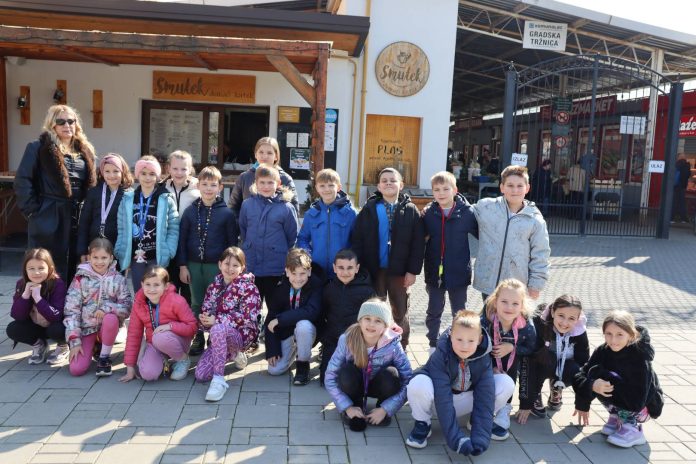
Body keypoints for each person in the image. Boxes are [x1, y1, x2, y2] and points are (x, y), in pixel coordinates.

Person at [405, 310, 515, 454]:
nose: (464, 346)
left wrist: (480, 440)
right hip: (437, 403)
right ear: (451, 336)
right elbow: (443, 398)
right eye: (459, 339)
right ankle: (422, 423)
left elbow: (485, 396)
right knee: (418, 383)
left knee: (506, 383)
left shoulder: (484, 357)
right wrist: (457, 440)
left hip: (465, 401)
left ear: (480, 340)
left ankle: (475, 422)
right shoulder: (441, 355)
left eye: (471, 341)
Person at [14, 104, 97, 282]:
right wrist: (34, 211)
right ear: (52, 124)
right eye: (61, 121)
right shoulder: (38, 148)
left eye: (71, 121)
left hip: (78, 215)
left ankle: (71, 300)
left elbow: (91, 185)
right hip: (48, 214)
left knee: (76, 265)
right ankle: (44, 300)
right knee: (45, 265)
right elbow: (23, 180)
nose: (67, 125)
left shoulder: (85, 150)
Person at [351, 167, 424, 348]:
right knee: (375, 311)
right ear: (378, 186)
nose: (388, 183)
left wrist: (412, 271)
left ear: (401, 185)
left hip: (400, 272)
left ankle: (401, 347)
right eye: (384, 181)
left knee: (400, 311)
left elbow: (417, 244)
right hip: (375, 270)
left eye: (393, 180)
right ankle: (375, 347)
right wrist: (359, 266)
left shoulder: (411, 210)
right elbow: (358, 239)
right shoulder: (369, 209)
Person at [573, 310, 664, 448]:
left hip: (643, 406)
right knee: (595, 375)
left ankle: (633, 428)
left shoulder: (639, 357)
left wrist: (605, 378)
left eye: (620, 334)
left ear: (631, 335)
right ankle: (616, 416)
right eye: (608, 334)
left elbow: (638, 399)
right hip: (621, 397)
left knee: (604, 376)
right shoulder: (603, 350)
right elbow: (582, 375)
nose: (613, 340)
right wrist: (589, 391)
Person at [324, 299, 412, 432]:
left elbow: (408, 380)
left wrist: (386, 408)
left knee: (392, 374)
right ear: (360, 321)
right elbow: (330, 376)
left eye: (378, 321)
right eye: (367, 319)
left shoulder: (393, 345)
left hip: (379, 384)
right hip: (355, 383)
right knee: (346, 372)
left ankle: (380, 410)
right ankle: (355, 405)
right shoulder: (347, 340)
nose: (371, 324)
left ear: (385, 326)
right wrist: (347, 407)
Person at [178, 166, 239, 356]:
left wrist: (228, 268)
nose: (208, 189)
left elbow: (232, 245)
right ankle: (198, 336)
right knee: (196, 302)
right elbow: (182, 240)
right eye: (204, 184)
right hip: (194, 265)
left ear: (220, 187)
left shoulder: (227, 214)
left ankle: (215, 335)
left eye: (213, 185)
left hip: (217, 267)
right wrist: (182, 265)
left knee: (217, 302)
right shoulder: (190, 211)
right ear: (198, 186)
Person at [472, 165, 550, 301]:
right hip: (488, 283)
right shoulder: (486, 207)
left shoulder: (535, 220)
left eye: (520, 186)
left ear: (527, 188)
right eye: (510, 185)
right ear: (502, 187)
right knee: (489, 315)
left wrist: (536, 285)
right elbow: (462, 212)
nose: (515, 190)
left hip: (516, 287)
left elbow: (541, 254)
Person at [195, 247, 261, 401]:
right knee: (201, 375)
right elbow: (206, 309)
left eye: (235, 265)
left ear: (242, 268)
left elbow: (248, 316)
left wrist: (217, 320)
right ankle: (234, 355)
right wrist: (204, 319)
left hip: (240, 336)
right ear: (220, 264)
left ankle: (219, 381)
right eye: (227, 264)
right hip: (218, 338)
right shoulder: (213, 287)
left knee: (218, 328)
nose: (230, 269)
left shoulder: (249, 287)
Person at [422, 171, 478, 354]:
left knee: (459, 312)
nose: (441, 193)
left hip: (459, 272)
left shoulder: (467, 213)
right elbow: (420, 238)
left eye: (445, 189)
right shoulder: (429, 214)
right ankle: (433, 344)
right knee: (434, 310)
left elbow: (484, 236)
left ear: (455, 190)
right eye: (436, 189)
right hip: (434, 272)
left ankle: (458, 343)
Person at [64, 238, 132, 377]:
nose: (99, 262)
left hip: (107, 327)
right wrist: (74, 341)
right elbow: (71, 310)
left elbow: (127, 307)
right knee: (76, 369)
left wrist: (107, 308)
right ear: (89, 257)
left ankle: (104, 358)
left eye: (104, 258)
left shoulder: (118, 279)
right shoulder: (80, 279)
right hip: (87, 329)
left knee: (110, 319)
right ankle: (94, 347)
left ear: (111, 258)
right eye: (95, 257)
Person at [516, 295, 589, 423]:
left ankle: (557, 386)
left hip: (562, 366)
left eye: (571, 318)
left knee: (576, 370)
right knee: (546, 358)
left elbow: (585, 365)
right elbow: (527, 363)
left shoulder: (579, 331)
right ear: (553, 312)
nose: (565, 323)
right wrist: (526, 402)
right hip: (539, 365)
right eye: (561, 315)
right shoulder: (539, 324)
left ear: (577, 319)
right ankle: (536, 394)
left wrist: (583, 403)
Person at [480, 278, 537, 440]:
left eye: (515, 303)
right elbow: (476, 349)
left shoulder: (526, 326)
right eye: (504, 302)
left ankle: (504, 407)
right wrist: (489, 367)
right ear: (495, 301)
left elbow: (531, 348)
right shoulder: (485, 321)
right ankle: (482, 407)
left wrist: (512, 348)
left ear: (522, 305)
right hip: (486, 363)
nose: (509, 307)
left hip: (512, 366)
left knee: (514, 364)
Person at [120, 266, 197, 383]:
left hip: (178, 341)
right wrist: (130, 367)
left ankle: (183, 360)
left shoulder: (177, 300)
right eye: (148, 284)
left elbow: (192, 327)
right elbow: (133, 334)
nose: (152, 289)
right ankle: (163, 360)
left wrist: (170, 326)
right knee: (148, 374)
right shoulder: (139, 303)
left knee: (160, 338)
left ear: (166, 286)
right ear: (142, 284)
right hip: (154, 343)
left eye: (156, 285)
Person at [115, 156, 180, 292]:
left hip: (157, 257)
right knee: (139, 293)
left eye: (151, 174)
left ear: (157, 176)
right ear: (137, 175)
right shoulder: (128, 199)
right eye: (143, 173)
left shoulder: (165, 198)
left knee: (156, 294)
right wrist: (121, 250)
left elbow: (173, 227)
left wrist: (169, 251)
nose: (147, 178)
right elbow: (121, 227)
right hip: (136, 258)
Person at [239, 164, 299, 302]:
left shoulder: (286, 208)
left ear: (278, 183)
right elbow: (244, 230)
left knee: (275, 305)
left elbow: (291, 236)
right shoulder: (247, 205)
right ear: (256, 183)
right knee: (251, 305)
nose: (266, 186)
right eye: (262, 182)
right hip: (252, 264)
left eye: (270, 182)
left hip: (276, 266)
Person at [264, 248, 323, 385]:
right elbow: (271, 318)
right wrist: (272, 349)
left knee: (303, 326)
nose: (298, 278)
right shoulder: (280, 286)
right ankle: (295, 348)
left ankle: (303, 365)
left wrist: (280, 320)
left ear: (309, 271)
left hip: (309, 331)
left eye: (302, 273)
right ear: (287, 271)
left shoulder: (316, 284)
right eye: (294, 273)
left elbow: (311, 311)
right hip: (288, 332)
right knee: (274, 370)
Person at [319, 249, 375, 385]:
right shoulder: (329, 289)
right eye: (341, 268)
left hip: (356, 342)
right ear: (334, 268)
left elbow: (373, 320)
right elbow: (322, 314)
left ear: (357, 268)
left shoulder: (367, 291)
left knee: (350, 380)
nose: (345, 272)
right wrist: (325, 337)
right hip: (333, 341)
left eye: (350, 268)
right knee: (326, 380)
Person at [7, 248, 68, 365]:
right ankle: (39, 345)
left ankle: (63, 346)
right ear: (25, 270)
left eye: (41, 268)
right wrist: (25, 295)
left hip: (55, 326)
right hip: (36, 326)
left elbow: (56, 316)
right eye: (31, 269)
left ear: (50, 269)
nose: (36, 272)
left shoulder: (58, 284)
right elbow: (17, 316)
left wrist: (38, 298)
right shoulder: (21, 284)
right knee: (13, 329)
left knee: (58, 329)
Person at [297, 168, 357, 278]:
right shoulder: (311, 214)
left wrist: (349, 260)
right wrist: (309, 256)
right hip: (317, 271)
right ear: (317, 188)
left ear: (338, 187)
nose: (326, 189)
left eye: (331, 185)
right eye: (322, 186)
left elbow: (357, 240)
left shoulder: (350, 213)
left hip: (342, 272)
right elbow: (302, 238)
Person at [77, 154, 134, 265]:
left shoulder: (129, 195)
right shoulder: (94, 193)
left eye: (116, 171)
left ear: (122, 172)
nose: (111, 175)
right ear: (102, 173)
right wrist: (82, 251)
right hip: (94, 248)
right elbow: (84, 223)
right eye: (107, 171)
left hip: (117, 249)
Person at [228, 137, 299, 217]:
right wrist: (242, 223)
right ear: (256, 154)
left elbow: (294, 210)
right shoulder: (244, 178)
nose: (265, 156)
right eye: (261, 152)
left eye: (269, 153)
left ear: (276, 156)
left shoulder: (285, 179)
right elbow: (233, 208)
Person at [164, 150, 200, 304]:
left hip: (189, 246)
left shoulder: (198, 191)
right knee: (169, 289)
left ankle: (187, 318)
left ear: (190, 170)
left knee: (188, 292)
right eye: (175, 168)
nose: (179, 173)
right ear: (168, 168)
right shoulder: (161, 188)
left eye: (183, 169)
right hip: (168, 245)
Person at [673, 153, 691, 223]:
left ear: (679, 158)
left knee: (674, 202)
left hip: (676, 186)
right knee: (682, 202)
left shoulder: (677, 164)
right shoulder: (687, 165)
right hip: (683, 186)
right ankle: (683, 218)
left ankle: (672, 218)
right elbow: (688, 175)